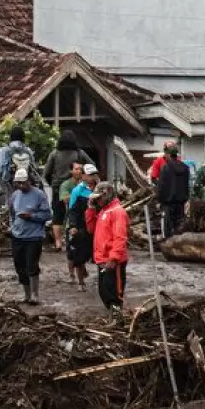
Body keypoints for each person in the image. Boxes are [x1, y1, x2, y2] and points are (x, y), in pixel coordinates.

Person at [43, 130, 93, 251]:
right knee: (78, 214)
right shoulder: (79, 153)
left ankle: (59, 243)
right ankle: (78, 241)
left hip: (58, 188)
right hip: (78, 188)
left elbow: (46, 172)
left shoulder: (54, 154)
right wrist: (84, 178)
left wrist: (53, 184)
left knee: (57, 216)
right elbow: (92, 165)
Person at [8, 168, 52, 305]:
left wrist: (31, 216)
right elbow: (11, 213)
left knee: (31, 265)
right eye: (18, 183)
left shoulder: (39, 195)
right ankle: (26, 294)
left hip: (34, 236)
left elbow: (48, 215)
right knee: (19, 266)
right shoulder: (15, 195)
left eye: (24, 183)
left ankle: (35, 294)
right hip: (17, 235)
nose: (21, 186)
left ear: (29, 180)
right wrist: (12, 226)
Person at [89, 183, 129, 314]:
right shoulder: (103, 211)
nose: (97, 201)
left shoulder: (117, 212)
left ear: (106, 194)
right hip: (103, 259)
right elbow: (91, 229)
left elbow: (120, 237)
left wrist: (113, 258)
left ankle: (117, 320)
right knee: (104, 292)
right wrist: (90, 210)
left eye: (98, 198)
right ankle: (114, 318)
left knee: (114, 295)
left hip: (112, 261)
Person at [156, 142, 191, 239]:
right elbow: (186, 185)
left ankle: (168, 247)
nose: (165, 156)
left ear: (168, 154)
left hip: (168, 203)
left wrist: (159, 200)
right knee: (179, 227)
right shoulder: (185, 168)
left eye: (165, 154)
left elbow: (161, 186)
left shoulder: (165, 168)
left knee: (167, 228)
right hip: (181, 203)